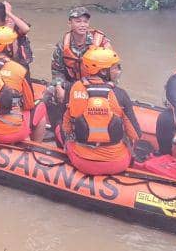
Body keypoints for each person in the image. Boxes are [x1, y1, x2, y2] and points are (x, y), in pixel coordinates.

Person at [60, 46, 141, 175]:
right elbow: (135, 135)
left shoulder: (73, 88)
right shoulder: (120, 94)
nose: (118, 71)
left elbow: (66, 128)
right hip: (116, 164)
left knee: (58, 130)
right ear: (103, 71)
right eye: (115, 67)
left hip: (82, 162)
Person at [50, 6, 112, 86]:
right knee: (50, 90)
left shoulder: (101, 42)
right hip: (71, 83)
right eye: (78, 21)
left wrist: (109, 85)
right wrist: (59, 86)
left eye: (85, 22)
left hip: (96, 83)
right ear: (69, 23)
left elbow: (114, 68)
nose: (83, 25)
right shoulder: (62, 45)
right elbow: (57, 71)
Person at [0, 1, 33, 66]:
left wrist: (9, 13)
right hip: (0, 64)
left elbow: (26, 29)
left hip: (19, 64)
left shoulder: (14, 25)